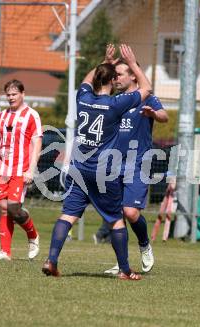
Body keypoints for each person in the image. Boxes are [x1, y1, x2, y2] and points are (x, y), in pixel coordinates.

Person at [42, 44, 152, 280]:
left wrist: (105, 61)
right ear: (113, 80)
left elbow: (85, 80)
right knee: (115, 220)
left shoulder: (83, 98)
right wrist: (132, 64)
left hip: (79, 168)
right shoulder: (115, 105)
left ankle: (51, 260)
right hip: (103, 172)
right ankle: (124, 270)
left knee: (68, 216)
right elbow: (147, 88)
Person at [103, 59, 169, 275]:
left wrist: (153, 114)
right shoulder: (115, 101)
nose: (115, 78)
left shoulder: (146, 98)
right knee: (115, 216)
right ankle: (121, 263)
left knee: (130, 212)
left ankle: (144, 244)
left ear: (133, 75)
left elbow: (164, 117)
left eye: (120, 74)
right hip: (113, 163)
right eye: (114, 75)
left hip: (138, 163)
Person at [0, 79, 41, 261]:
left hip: (21, 169)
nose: (11, 98)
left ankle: (32, 235)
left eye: (14, 94)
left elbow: (37, 143)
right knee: (3, 208)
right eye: (8, 95)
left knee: (13, 208)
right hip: (2, 170)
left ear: (22, 94)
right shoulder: (2, 116)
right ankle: (5, 252)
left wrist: (31, 171)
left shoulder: (32, 115)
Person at [151, 175, 177, 242]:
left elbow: (173, 187)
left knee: (168, 216)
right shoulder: (172, 173)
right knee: (161, 214)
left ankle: (165, 237)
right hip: (168, 196)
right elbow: (171, 186)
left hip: (173, 199)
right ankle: (153, 236)